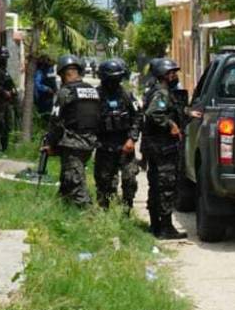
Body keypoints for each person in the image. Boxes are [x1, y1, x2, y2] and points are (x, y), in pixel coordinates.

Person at [43, 54, 100, 207]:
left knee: (75, 183)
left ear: (63, 74)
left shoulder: (66, 92)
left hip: (72, 143)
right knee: (67, 180)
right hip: (89, 142)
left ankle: (89, 214)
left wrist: (50, 144)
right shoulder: (92, 90)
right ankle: (63, 209)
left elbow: (56, 121)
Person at [141, 58, 187, 240]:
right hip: (163, 147)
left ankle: (156, 226)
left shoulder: (160, 91)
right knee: (166, 186)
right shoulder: (161, 92)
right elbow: (154, 113)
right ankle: (166, 228)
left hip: (156, 147)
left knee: (156, 185)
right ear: (163, 75)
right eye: (171, 73)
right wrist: (171, 125)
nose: (175, 76)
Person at [94, 58, 140, 212]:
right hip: (104, 146)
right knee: (104, 182)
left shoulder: (126, 95)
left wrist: (132, 139)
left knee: (129, 179)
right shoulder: (96, 96)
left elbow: (137, 117)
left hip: (125, 145)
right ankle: (104, 213)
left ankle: (127, 210)